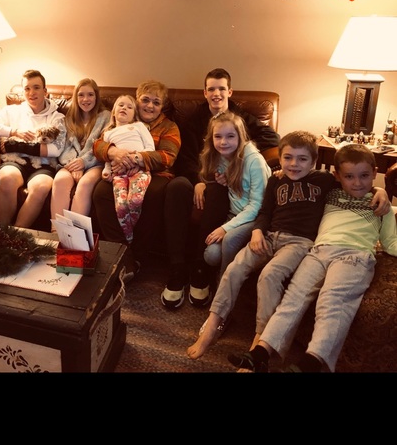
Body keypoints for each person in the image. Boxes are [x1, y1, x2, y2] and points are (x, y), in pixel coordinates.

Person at [186, 131, 391, 360]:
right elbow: (265, 212)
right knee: (234, 269)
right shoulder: (276, 180)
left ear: (314, 161)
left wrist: (380, 190)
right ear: (281, 158)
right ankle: (213, 325)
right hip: (269, 237)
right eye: (288, 158)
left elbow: (353, 181)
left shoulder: (323, 180)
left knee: (270, 275)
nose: (294, 164)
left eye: (302, 159)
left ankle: (259, 340)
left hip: (299, 243)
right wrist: (257, 231)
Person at [162, 67, 280, 309]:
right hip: (197, 175)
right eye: (211, 89)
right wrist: (198, 181)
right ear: (205, 93)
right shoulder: (195, 120)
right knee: (176, 186)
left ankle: (200, 268)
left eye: (221, 89)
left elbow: (272, 138)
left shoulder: (241, 118)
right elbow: (186, 158)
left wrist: (242, 152)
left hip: (223, 184)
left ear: (230, 91)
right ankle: (176, 267)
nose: (216, 94)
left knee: (216, 190)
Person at [93, 80, 181, 281]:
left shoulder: (169, 127)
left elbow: (168, 156)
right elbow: (98, 144)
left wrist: (135, 159)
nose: (150, 106)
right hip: (120, 172)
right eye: (145, 100)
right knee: (100, 193)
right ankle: (123, 254)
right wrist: (113, 152)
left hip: (157, 174)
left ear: (162, 106)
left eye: (156, 102)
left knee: (151, 194)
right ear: (137, 100)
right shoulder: (124, 120)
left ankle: (138, 255)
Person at [0, 69, 66, 228]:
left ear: (45, 91)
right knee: (7, 179)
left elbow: (55, 149)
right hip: (15, 161)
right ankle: (4, 232)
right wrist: (13, 132)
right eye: (27, 88)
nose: (31, 93)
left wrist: (13, 144)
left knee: (41, 187)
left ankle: (17, 233)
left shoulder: (57, 117)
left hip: (43, 164)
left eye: (36, 87)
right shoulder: (12, 111)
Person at [50, 78, 110, 221]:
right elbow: (64, 147)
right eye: (81, 95)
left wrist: (84, 162)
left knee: (85, 183)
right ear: (76, 98)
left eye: (90, 95)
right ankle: (56, 232)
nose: (85, 99)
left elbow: (104, 145)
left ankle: (75, 232)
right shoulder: (68, 119)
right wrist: (74, 165)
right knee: (59, 181)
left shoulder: (106, 117)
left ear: (96, 96)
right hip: (70, 164)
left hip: (95, 163)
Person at [100, 95, 156, 244]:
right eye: (121, 105)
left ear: (134, 115)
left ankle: (131, 234)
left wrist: (137, 162)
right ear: (113, 112)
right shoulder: (108, 133)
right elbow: (107, 156)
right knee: (120, 206)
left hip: (140, 171)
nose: (124, 108)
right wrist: (107, 171)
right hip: (118, 174)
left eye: (129, 107)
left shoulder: (139, 126)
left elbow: (150, 149)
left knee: (135, 200)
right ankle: (129, 238)